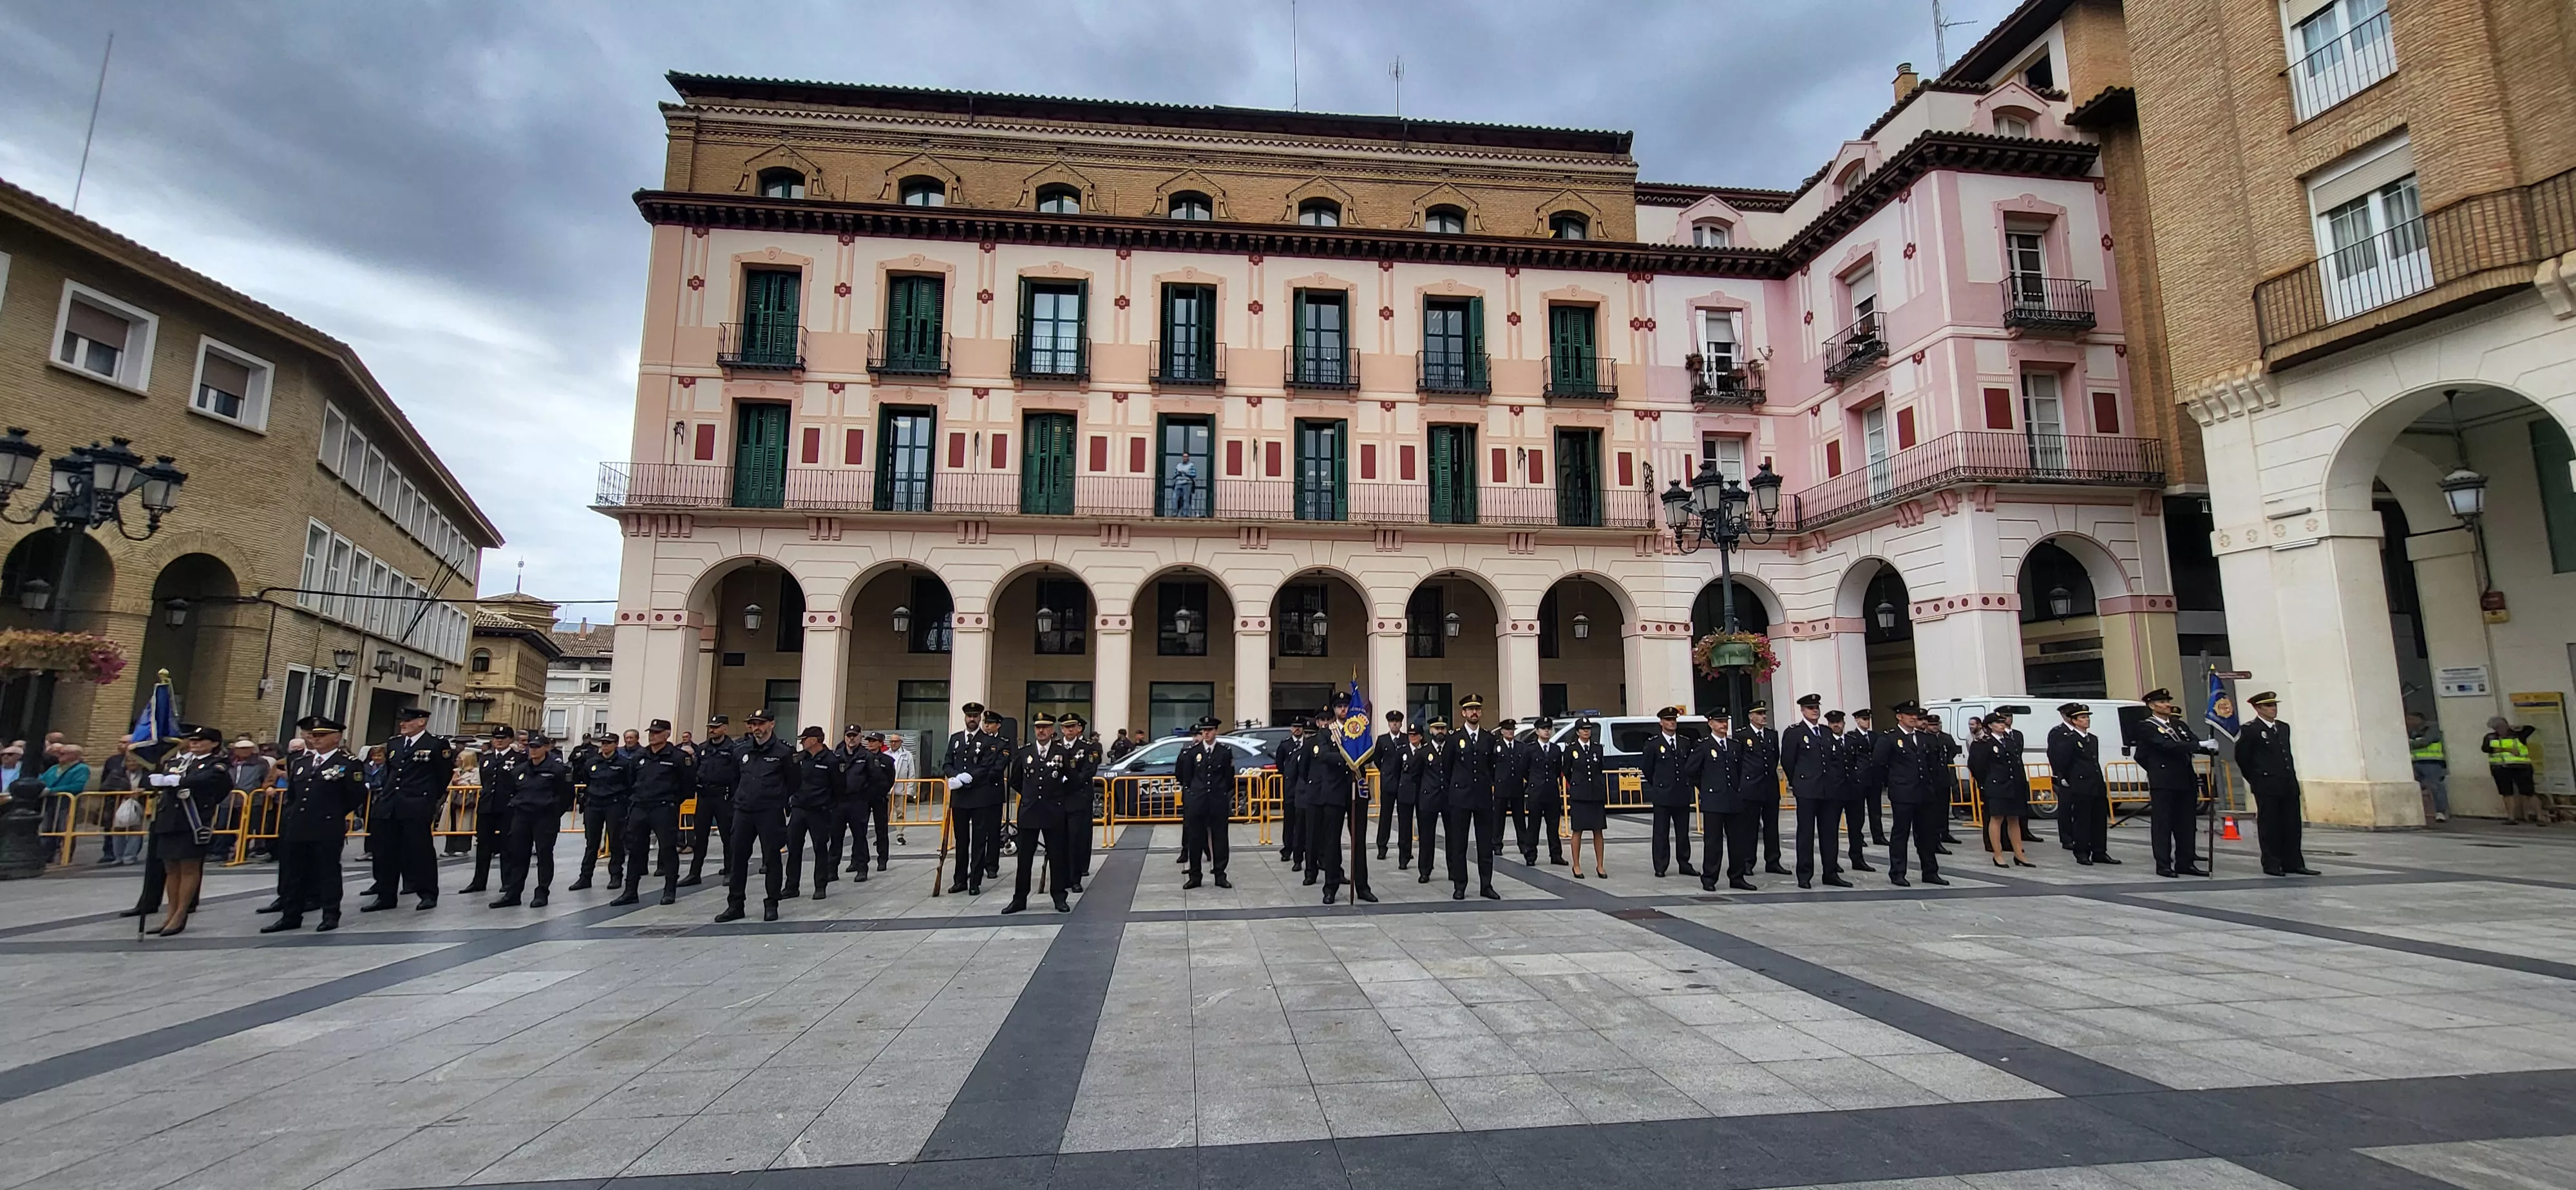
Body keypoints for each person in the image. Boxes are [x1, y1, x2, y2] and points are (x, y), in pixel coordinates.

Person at [262, 716, 367, 932]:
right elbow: (293, 795)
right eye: (314, 735)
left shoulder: (347, 764)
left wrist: (333, 813)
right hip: (298, 824)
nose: (316, 739)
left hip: (326, 824)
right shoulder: (302, 762)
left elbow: (356, 795)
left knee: (327, 872)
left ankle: (330, 913)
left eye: (322, 736)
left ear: (336, 738)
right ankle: (291, 915)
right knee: (293, 872)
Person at [139, 726, 229, 936]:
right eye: (192, 740)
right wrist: (155, 779)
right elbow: (155, 780)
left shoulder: (216, 764)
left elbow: (212, 783)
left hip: (193, 820)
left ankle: (181, 913)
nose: (194, 744)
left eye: (201, 740)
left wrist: (177, 781)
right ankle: (170, 911)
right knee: (171, 868)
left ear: (214, 744)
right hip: (169, 819)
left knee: (189, 867)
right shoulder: (177, 761)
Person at [363, 708, 455, 912]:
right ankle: (386, 894)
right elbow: (390, 773)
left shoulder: (436, 744)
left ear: (422, 722)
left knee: (419, 850)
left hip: (416, 805)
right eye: (402, 720)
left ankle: (427, 893)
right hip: (391, 804)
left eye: (408, 721)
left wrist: (428, 798)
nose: (403, 724)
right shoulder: (395, 744)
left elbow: (443, 775)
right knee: (385, 852)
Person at [721, 710, 796, 921]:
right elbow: (734, 778)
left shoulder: (784, 751)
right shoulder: (741, 750)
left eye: (761, 724)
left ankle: (771, 903)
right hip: (744, 811)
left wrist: (777, 798)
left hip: (770, 812)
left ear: (772, 724)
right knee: (737, 859)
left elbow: (794, 781)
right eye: (753, 724)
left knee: (772, 859)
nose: (756, 728)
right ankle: (735, 905)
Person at [2134, 688, 2215, 876]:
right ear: (2152, 706)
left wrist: (2208, 748)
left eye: (2168, 701)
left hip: (2185, 779)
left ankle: (2185, 863)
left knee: (2186, 824)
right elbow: (2165, 745)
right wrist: (2156, 770)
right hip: (2164, 781)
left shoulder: (2179, 725)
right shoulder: (2147, 726)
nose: (2167, 705)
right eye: (2162, 702)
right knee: (2163, 824)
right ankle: (2163, 864)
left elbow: (2191, 741)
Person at [2235, 692, 2316, 876]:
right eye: (2268, 706)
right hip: (2266, 784)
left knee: (2292, 825)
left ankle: (2293, 862)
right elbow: (2243, 759)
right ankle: (2272, 863)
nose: (2273, 709)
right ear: (2258, 709)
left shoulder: (2283, 727)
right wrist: (2257, 779)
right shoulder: (2250, 730)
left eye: (2274, 705)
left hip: (2287, 783)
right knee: (2270, 825)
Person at [492, 733, 576, 907]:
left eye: (537, 747)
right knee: (518, 855)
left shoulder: (558, 770)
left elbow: (567, 795)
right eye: (531, 747)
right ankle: (513, 893)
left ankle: (542, 893)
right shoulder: (521, 770)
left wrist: (554, 812)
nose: (534, 750)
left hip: (545, 817)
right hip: (522, 816)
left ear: (546, 748)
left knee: (544, 856)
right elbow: (511, 790)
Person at [1004, 715, 1076, 914]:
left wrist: (1058, 797)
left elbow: (1072, 779)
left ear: (1052, 730)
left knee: (1057, 857)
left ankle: (1059, 897)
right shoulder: (1025, 752)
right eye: (1038, 728)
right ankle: (1019, 899)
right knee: (1024, 859)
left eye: (1045, 727)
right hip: (1030, 811)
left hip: (1054, 811)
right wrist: (1030, 795)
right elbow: (1015, 780)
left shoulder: (1061, 753)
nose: (1041, 731)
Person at [618, 719, 694, 906]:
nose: (652, 735)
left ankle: (669, 890)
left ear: (667, 734)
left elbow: (688, 786)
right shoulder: (640, 756)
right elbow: (631, 781)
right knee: (635, 850)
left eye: (657, 732)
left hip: (663, 807)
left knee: (668, 849)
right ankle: (630, 891)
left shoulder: (678, 757)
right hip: (640, 807)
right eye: (651, 732)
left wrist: (671, 802)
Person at [1877, 703, 1951, 887]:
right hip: (1903, 793)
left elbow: (1932, 765)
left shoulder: (1925, 739)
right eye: (1908, 714)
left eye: (1915, 715)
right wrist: (1893, 783)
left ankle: (1930, 871)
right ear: (1899, 717)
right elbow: (1879, 764)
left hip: (1924, 793)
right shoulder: (1890, 738)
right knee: (1901, 834)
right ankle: (1898, 872)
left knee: (1927, 834)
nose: (1913, 717)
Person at [1783, 695, 1849, 889]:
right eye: (1810, 708)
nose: (1815, 711)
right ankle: (1805, 874)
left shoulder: (1826, 732)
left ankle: (1831, 873)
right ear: (1802, 711)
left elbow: (1836, 758)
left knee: (1830, 833)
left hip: (1828, 790)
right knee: (1806, 834)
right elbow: (1788, 760)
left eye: (1817, 707)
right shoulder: (1794, 732)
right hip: (1807, 790)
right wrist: (1798, 782)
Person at [943, 706, 1010, 894]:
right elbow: (947, 762)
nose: (972, 719)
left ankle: (975, 881)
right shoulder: (956, 739)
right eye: (969, 716)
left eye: (975, 716)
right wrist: (954, 776)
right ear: (965, 718)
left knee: (979, 841)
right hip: (960, 798)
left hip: (979, 797)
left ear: (979, 719)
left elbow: (987, 766)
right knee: (961, 840)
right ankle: (960, 880)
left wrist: (967, 777)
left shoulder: (988, 741)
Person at [1300, 708, 1361, 904]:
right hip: (1331, 792)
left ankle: (1363, 886)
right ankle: (1331, 887)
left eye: (1346, 706)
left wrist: (1357, 759)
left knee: (1358, 841)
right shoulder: (1326, 734)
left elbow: (1368, 753)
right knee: (1331, 841)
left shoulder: (1356, 730)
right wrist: (1348, 761)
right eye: (1339, 707)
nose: (1343, 709)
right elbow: (1323, 757)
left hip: (1354, 790)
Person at [1444, 694, 1502, 900]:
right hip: (1460, 797)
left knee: (1485, 843)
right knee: (1459, 844)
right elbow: (1447, 768)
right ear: (1463, 713)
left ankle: (1486, 884)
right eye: (1470, 709)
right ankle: (1460, 885)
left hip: (1483, 797)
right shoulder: (1453, 738)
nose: (1474, 712)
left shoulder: (1489, 738)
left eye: (1477, 709)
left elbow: (1493, 767)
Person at [2048, 704, 2116, 865]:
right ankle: (2082, 852)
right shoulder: (2070, 740)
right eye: (2083, 718)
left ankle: (2100, 851)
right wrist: (2066, 778)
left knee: (2099, 820)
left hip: (2096, 784)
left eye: (2087, 717)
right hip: (2080, 784)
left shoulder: (2092, 739)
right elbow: (2062, 761)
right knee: (2082, 820)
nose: (2086, 720)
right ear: (2074, 721)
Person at [459, 728, 524, 894]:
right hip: (487, 807)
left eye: (503, 738)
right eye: (496, 738)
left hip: (507, 807)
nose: (499, 741)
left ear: (510, 739)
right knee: (483, 845)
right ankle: (479, 881)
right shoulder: (487, 759)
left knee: (507, 845)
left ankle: (507, 881)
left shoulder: (518, 758)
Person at [784, 726, 844, 900]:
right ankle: (791, 886)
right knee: (794, 848)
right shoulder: (799, 759)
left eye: (804, 739)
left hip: (820, 810)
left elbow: (839, 787)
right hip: (799, 809)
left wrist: (829, 806)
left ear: (814, 740)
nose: (802, 742)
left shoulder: (832, 760)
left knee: (820, 849)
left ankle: (820, 885)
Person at [572, 732, 637, 891]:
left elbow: (630, 784)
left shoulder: (624, 764)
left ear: (616, 744)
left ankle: (616, 875)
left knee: (616, 840)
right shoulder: (592, 762)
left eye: (608, 743)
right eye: (603, 743)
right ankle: (585, 877)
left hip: (615, 804)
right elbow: (587, 780)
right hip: (594, 804)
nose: (605, 746)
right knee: (591, 842)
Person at [1176, 716, 1235, 889]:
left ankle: (1220, 874)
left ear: (1216, 731)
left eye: (1209, 730)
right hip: (1198, 801)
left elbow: (1229, 778)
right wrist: (1194, 793)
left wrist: (1221, 792)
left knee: (1220, 839)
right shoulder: (1192, 753)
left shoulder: (1224, 752)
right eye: (1204, 731)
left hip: (1217, 800)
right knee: (1195, 838)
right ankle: (1195, 875)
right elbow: (1185, 777)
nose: (1206, 733)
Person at [1640, 706, 1698, 879]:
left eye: (1674, 720)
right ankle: (1661, 865)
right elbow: (1648, 769)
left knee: (1683, 832)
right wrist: (1658, 785)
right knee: (1661, 832)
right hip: (1662, 794)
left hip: (1681, 793)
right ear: (1661, 722)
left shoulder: (1684, 742)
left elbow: (1690, 766)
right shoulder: (1653, 744)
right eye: (1668, 720)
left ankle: (1684, 863)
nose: (1672, 723)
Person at [1695, 709, 1747, 891]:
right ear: (1710, 724)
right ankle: (1709, 877)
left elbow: (1740, 770)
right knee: (1713, 842)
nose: (1723, 724)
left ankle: (1737, 876)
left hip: (1733, 799)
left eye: (1725, 721)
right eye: (1719, 721)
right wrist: (1706, 788)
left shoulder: (1734, 746)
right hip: (1713, 800)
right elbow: (1691, 771)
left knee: (1737, 841)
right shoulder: (1704, 746)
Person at [1975, 711, 2034, 868]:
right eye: (1998, 723)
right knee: (1997, 819)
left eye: (2003, 722)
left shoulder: (2010, 741)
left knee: (2014, 819)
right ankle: (1998, 854)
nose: (2002, 725)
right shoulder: (1984, 743)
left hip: (2013, 785)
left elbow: (2016, 762)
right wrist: (1985, 783)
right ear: (1990, 726)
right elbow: (1977, 765)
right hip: (1997, 785)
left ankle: (2019, 854)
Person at [687, 716, 737, 885]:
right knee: (700, 837)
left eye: (716, 727)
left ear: (725, 729)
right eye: (711, 727)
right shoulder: (703, 749)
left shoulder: (733, 749)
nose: (712, 730)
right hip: (704, 796)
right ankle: (695, 873)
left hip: (723, 796)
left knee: (727, 837)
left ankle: (730, 871)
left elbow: (737, 775)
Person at [1741, 703, 1790, 874]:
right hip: (1751, 787)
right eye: (1759, 714)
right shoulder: (1742, 735)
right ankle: (1747, 862)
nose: (1763, 716)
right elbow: (1739, 761)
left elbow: (1775, 757)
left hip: (1769, 787)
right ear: (1751, 716)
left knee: (1772, 827)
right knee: (1750, 827)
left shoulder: (1771, 735)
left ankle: (1773, 861)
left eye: (1764, 713)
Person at [842, 730, 893, 882]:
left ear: (880, 743)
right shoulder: (861, 757)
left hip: (878, 798)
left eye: (874, 741)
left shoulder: (887, 760)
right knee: (859, 831)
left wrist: (881, 792)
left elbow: (889, 779)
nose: (871, 743)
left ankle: (882, 859)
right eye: (869, 741)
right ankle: (855, 860)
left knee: (881, 830)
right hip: (863, 799)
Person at [1564, 718, 1610, 878]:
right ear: (1577, 732)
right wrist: (1578, 785)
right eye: (1583, 729)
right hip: (1580, 795)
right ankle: (1576, 865)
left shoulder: (1597, 749)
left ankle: (1600, 866)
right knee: (1578, 831)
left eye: (1588, 729)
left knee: (1598, 830)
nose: (1586, 732)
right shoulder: (1571, 749)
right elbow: (1567, 771)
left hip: (1596, 794)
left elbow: (1600, 769)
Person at [1061, 712, 1101, 890]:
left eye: (1073, 726)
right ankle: (1061, 876)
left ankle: (1075, 877)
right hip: (1059, 799)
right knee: (1061, 840)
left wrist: (1069, 781)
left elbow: (1088, 771)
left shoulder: (1088, 748)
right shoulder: (1056, 747)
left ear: (1079, 729)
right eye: (1066, 727)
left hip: (1079, 797)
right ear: (1062, 729)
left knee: (1078, 838)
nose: (1070, 730)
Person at [1840, 710, 1880, 872]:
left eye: (1868, 719)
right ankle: (1832, 861)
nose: (1867, 721)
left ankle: (1859, 856)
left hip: (1862, 781)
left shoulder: (1867, 737)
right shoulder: (1850, 738)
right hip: (1842, 785)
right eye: (1864, 719)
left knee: (1865, 815)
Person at [1524, 717, 1567, 867]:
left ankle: (1556, 855)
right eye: (1544, 729)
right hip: (1536, 793)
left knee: (1553, 826)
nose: (1547, 731)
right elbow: (1524, 770)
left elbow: (1557, 770)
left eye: (1549, 728)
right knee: (1533, 826)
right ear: (1537, 731)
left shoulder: (1555, 750)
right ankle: (1530, 855)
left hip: (1552, 793)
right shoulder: (1530, 749)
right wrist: (1534, 782)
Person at [1410, 718, 1448, 881]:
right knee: (1426, 837)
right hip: (1429, 798)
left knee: (1453, 837)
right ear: (1430, 731)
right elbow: (1415, 775)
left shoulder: (1451, 750)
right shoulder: (1423, 752)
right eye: (1436, 729)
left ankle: (1454, 870)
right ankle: (1425, 870)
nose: (1440, 731)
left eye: (1442, 728)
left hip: (1448, 798)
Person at [1274, 719, 1311, 873]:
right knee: (1289, 821)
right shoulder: (1285, 745)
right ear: (1291, 729)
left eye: (1300, 727)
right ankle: (1288, 848)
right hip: (1290, 788)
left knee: (1304, 823)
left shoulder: (1308, 744)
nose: (1297, 729)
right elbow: (1280, 765)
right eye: (1295, 727)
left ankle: (1305, 852)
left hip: (1305, 788)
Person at [1374, 709, 1407, 861]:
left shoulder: (1406, 739)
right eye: (1392, 722)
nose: (1395, 724)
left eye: (1397, 721)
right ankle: (1382, 847)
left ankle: (1405, 848)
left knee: (1404, 817)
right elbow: (1377, 759)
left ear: (1401, 724)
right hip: (1388, 783)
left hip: (1403, 783)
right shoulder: (1383, 740)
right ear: (1389, 724)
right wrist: (1385, 772)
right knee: (1385, 816)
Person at [39, 744, 90, 840]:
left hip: (66, 804)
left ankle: (64, 853)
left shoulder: (82, 768)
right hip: (50, 803)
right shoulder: (54, 768)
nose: (59, 755)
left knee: (64, 830)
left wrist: (52, 790)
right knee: (46, 829)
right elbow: (42, 779)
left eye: (63, 753)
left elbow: (77, 786)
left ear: (75, 755)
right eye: (59, 753)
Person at [2407, 711, 2448, 823]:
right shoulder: (2411, 731)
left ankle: (2440, 812)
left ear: (2419, 720)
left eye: (2411, 719)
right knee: (2417, 788)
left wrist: (2408, 743)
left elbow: (2424, 742)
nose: (2408, 722)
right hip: (2415, 762)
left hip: (2432, 762)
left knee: (2435, 787)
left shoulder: (2432, 730)